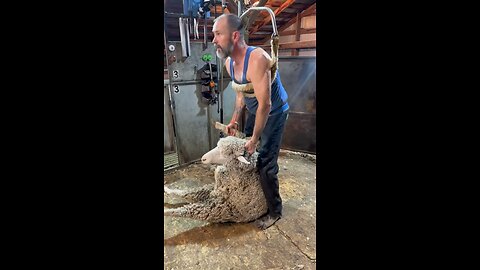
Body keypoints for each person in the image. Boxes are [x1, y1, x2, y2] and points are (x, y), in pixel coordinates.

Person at [212, 14, 289, 230]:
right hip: (257, 109)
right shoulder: (229, 63)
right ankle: (255, 195)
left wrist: (255, 138)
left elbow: (266, 104)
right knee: (246, 152)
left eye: (218, 34)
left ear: (234, 36)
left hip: (273, 112)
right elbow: (241, 94)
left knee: (265, 163)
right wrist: (235, 119)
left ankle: (275, 210)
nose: (213, 40)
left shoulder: (257, 59)